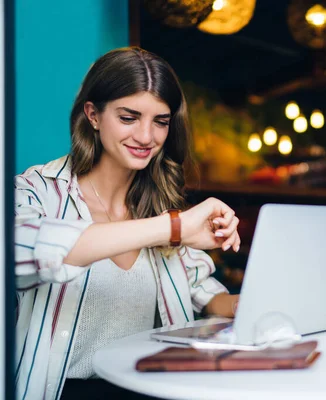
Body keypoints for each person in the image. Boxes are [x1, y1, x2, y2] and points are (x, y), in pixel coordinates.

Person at [15, 47, 241, 400]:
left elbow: (207, 298)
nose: (146, 137)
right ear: (93, 114)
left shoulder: (159, 205)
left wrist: (261, 303)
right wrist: (173, 227)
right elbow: (24, 252)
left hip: (147, 389)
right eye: (128, 117)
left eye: (161, 121)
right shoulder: (36, 190)